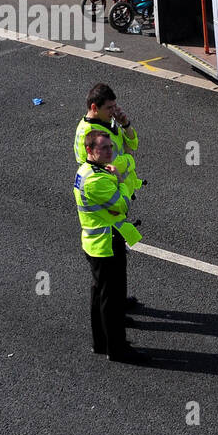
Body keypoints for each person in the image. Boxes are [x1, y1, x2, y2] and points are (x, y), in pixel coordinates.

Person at [74, 131, 146, 363]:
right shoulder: (97, 180)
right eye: (103, 148)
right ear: (89, 151)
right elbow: (123, 205)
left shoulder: (87, 171)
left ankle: (101, 342)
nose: (110, 152)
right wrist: (122, 182)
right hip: (105, 245)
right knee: (112, 301)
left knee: (100, 295)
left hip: (95, 242)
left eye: (110, 147)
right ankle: (117, 348)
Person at [74, 83, 144, 307]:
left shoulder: (108, 122)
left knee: (117, 267)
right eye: (109, 107)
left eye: (115, 106)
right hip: (109, 198)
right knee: (109, 271)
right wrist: (130, 161)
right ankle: (115, 311)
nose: (114, 111)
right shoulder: (90, 134)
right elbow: (116, 163)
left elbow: (133, 143)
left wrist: (126, 124)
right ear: (94, 107)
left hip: (118, 188)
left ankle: (119, 302)